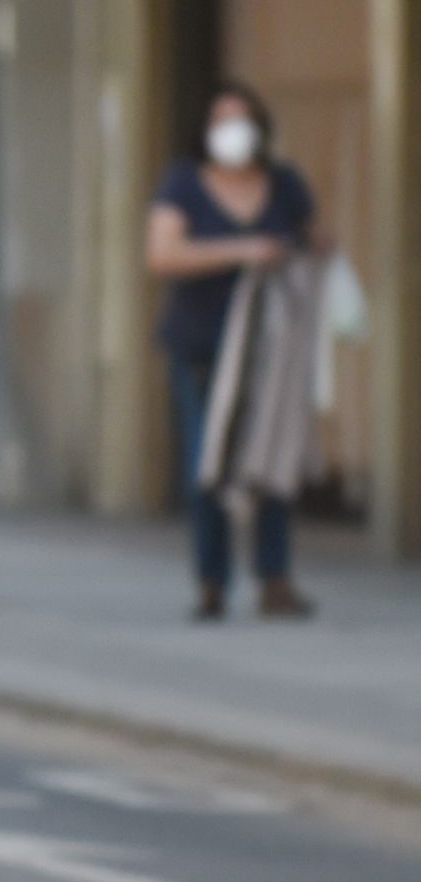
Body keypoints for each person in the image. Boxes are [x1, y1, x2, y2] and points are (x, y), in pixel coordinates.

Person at [145, 83, 319, 621]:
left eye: (242, 119)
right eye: (222, 120)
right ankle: (212, 581)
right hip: (202, 346)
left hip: (270, 348)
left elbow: (312, 241)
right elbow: (162, 255)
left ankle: (274, 577)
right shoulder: (183, 184)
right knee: (209, 463)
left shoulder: (285, 184)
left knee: (271, 456)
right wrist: (242, 250)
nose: (233, 130)